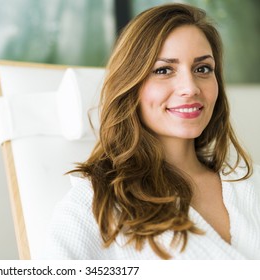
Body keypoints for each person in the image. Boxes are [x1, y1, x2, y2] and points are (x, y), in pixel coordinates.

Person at [43, 3, 260, 259]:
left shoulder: (248, 183)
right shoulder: (95, 202)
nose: (190, 88)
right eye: (163, 70)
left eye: (202, 69)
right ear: (131, 85)